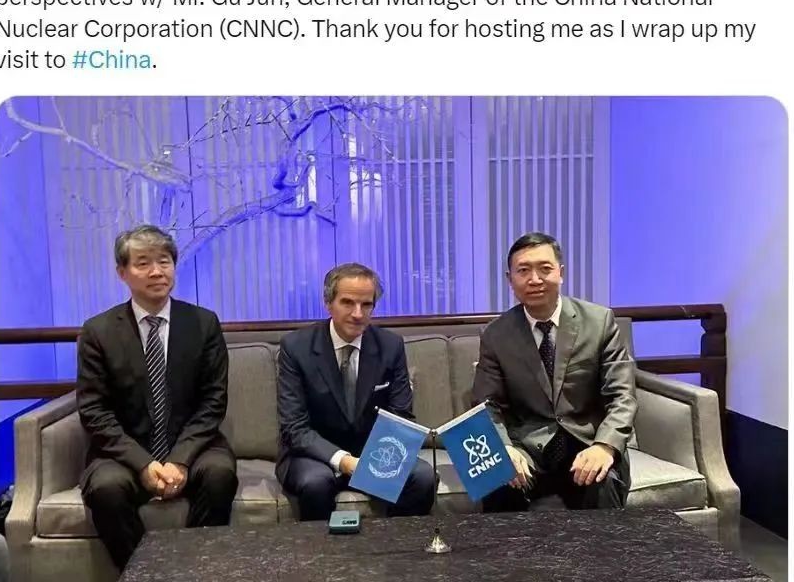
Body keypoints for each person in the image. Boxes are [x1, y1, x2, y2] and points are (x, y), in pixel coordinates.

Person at [76, 225, 238, 570]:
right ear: (122, 273)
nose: (156, 272)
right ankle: (147, 575)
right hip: (124, 452)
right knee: (106, 488)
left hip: (193, 446)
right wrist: (142, 463)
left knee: (219, 474)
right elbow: (94, 410)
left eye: (164, 261)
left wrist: (179, 459)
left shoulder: (203, 323)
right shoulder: (98, 332)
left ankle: (196, 572)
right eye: (143, 263)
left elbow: (213, 402)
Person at [471, 232, 637, 511]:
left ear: (561, 273)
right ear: (510, 279)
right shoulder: (496, 335)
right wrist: (504, 448)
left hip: (587, 443)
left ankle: (607, 544)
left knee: (602, 479)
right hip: (527, 448)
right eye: (523, 271)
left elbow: (622, 396)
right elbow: (487, 405)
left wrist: (605, 446)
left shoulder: (599, 322)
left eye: (544, 269)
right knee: (497, 479)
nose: (535, 279)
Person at [276, 262, 436, 521]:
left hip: (374, 453)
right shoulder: (296, 347)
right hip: (315, 456)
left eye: (366, 304)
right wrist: (345, 461)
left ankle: (396, 544)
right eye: (347, 303)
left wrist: (373, 460)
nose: (358, 314)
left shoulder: (390, 346)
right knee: (315, 482)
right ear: (328, 303)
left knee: (423, 476)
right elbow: (295, 427)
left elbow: (401, 416)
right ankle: (320, 548)